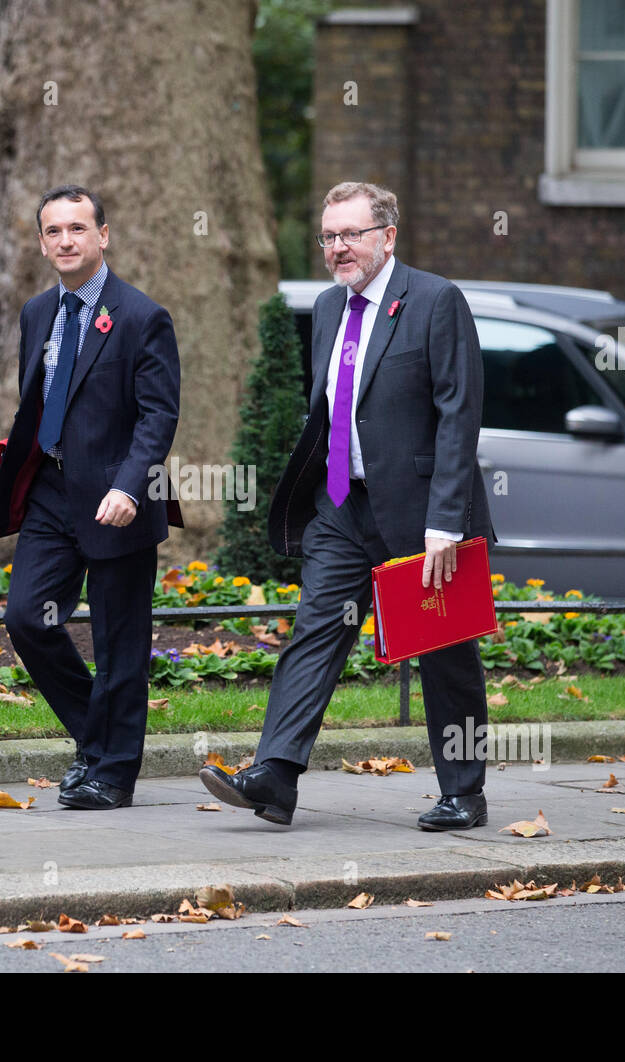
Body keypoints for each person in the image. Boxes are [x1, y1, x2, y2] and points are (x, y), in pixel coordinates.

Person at [200, 181, 496, 830]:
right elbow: (330, 408)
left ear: (387, 237)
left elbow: (458, 415)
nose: (338, 248)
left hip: (422, 514)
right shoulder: (330, 309)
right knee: (314, 633)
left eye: (351, 234)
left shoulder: (435, 301)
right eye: (329, 236)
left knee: (444, 652)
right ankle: (274, 778)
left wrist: (448, 520)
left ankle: (463, 792)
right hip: (340, 507)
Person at [0, 184, 181, 810]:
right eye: (53, 231)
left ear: (104, 235)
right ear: (43, 242)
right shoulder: (37, 313)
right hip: (50, 493)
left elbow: (158, 415)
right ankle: (98, 741)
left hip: (119, 497)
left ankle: (113, 775)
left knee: (120, 640)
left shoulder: (141, 316)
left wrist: (131, 485)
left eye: (78, 229)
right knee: (26, 617)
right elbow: (40, 399)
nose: (66, 241)